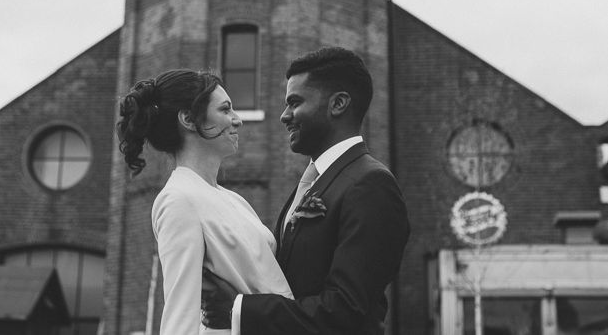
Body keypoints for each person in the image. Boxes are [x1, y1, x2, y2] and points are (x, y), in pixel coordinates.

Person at [203, 46, 410, 335]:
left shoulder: (372, 185)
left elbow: (345, 311)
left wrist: (238, 310)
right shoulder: (315, 182)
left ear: (338, 104)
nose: (284, 116)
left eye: (295, 103)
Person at [116, 69, 293, 335]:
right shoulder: (178, 200)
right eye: (225, 110)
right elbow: (180, 313)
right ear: (188, 119)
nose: (237, 120)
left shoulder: (233, 199)